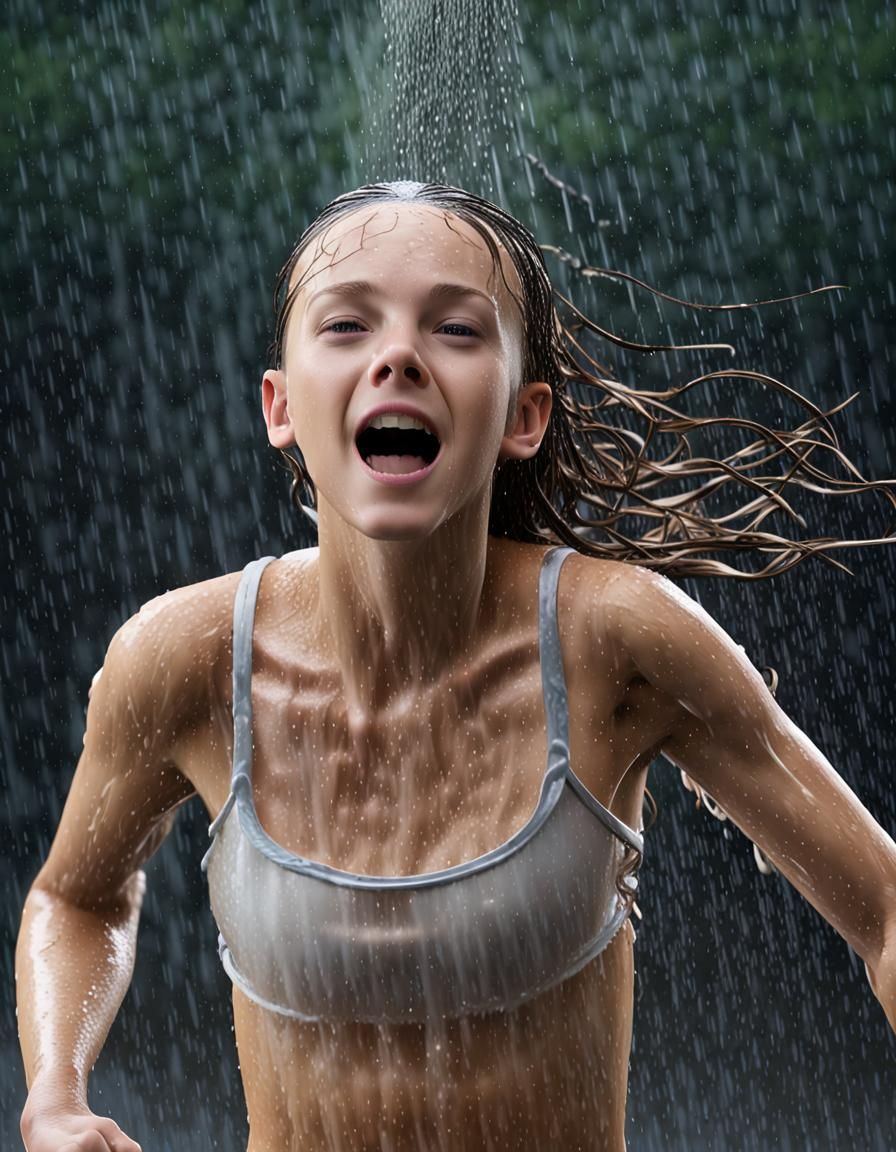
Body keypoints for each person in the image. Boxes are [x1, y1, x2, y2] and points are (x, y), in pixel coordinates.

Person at [16, 180, 896, 1152]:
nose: (398, 355)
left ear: (524, 417)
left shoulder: (615, 645)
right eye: (347, 324)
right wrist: (54, 1095)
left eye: (457, 330)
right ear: (279, 406)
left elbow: (883, 909)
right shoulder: (183, 663)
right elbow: (75, 896)